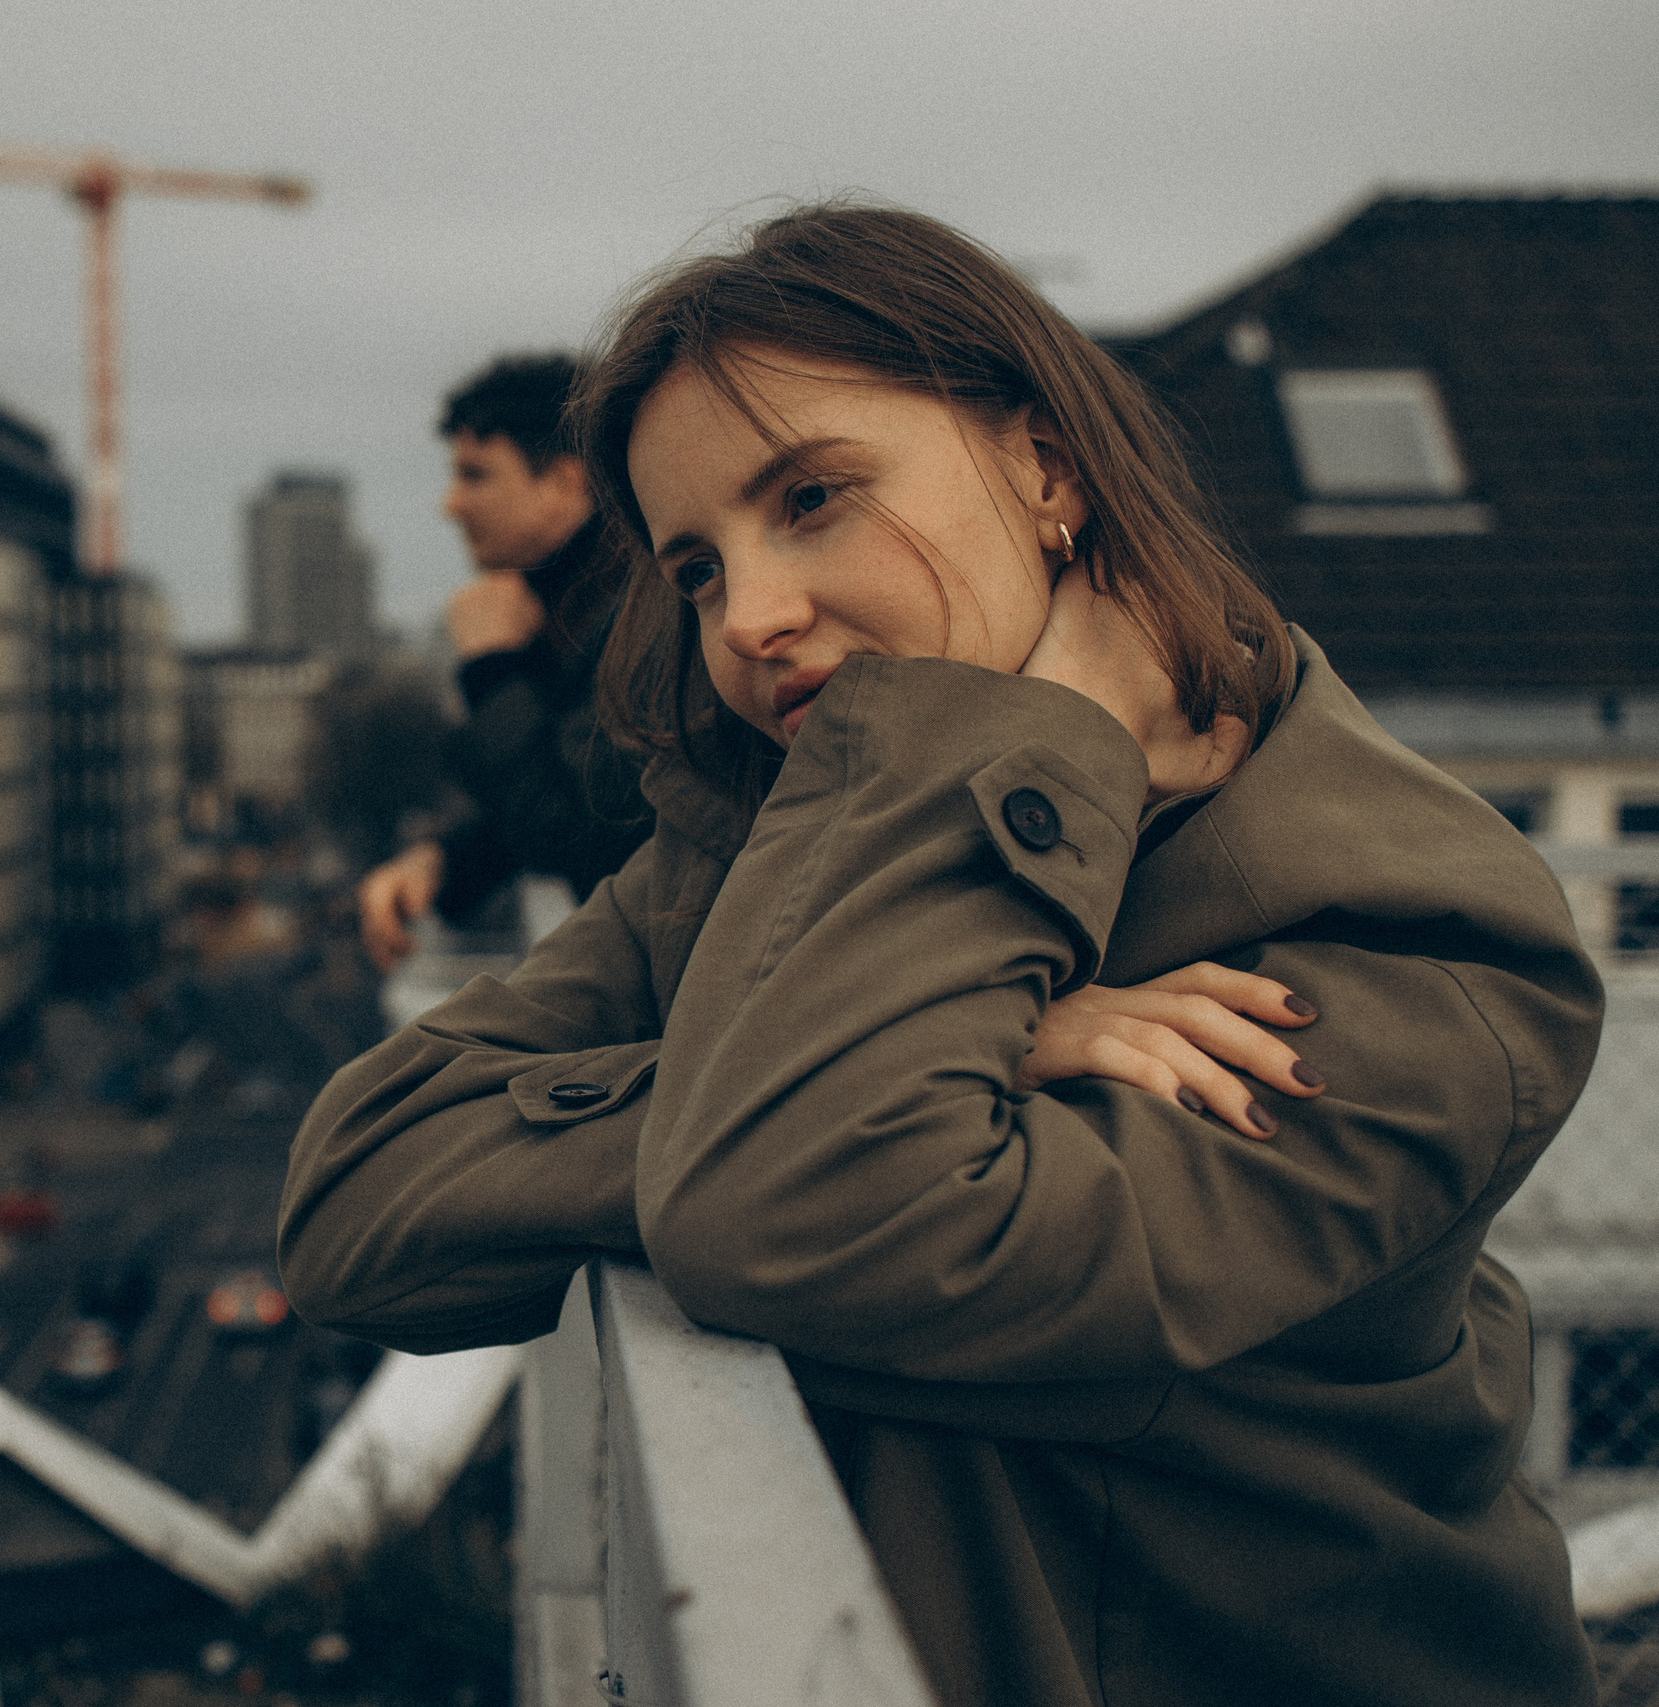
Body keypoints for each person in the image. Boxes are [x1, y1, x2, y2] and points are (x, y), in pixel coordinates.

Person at [280, 204, 1602, 1706]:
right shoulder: (759, 842)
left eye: (816, 497)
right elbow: (351, 1202)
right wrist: (929, 1046)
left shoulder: (1418, 939)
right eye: (698, 567)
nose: (752, 618)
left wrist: (842, 1058)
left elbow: (797, 1208)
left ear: (1047, 468)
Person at [356, 354, 653, 971]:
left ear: (565, 483)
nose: (451, 504)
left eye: (476, 475)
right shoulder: (575, 598)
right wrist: (451, 859)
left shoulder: (642, 609)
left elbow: (583, 835)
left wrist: (492, 670)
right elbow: (573, 773)